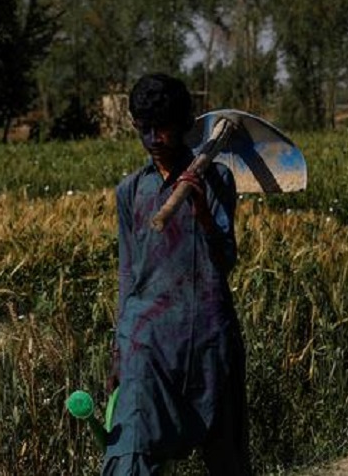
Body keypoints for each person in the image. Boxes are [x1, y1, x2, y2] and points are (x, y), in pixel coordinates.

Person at [102, 73, 251, 475]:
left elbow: (226, 260)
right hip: (145, 339)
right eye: (143, 129)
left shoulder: (216, 179)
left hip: (208, 336)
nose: (153, 139)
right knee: (130, 444)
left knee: (225, 452)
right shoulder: (131, 191)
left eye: (162, 128)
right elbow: (128, 272)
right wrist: (121, 349)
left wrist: (203, 211)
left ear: (184, 125)